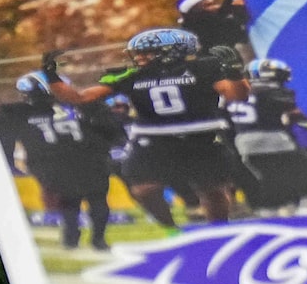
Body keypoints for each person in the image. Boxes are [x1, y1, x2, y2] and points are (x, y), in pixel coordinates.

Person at [50, 29, 247, 230]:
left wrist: (235, 73)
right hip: (153, 138)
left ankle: (218, 230)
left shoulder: (204, 67)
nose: (139, 58)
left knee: (212, 190)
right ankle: (172, 231)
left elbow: (237, 96)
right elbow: (80, 98)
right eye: (138, 53)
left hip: (201, 136)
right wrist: (51, 76)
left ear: (171, 51)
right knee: (144, 189)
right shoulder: (131, 73)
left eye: (146, 52)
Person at [0, 70, 125, 251]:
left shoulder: (16, 113)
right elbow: (110, 129)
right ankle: (97, 240)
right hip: (87, 161)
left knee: (71, 203)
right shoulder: (83, 107)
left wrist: (9, 162)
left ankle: (72, 240)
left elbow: (4, 137)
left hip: (55, 166)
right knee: (97, 202)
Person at [223, 58, 307, 213]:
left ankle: (271, 211)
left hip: (244, 143)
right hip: (273, 139)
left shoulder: (233, 93)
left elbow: (226, 121)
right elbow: (296, 116)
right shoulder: (275, 93)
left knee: (272, 179)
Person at [176, 0, 255, 57]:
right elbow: (219, 19)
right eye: (208, 5)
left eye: (213, 4)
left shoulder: (219, 19)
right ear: (195, 11)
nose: (216, 7)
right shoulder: (199, 26)